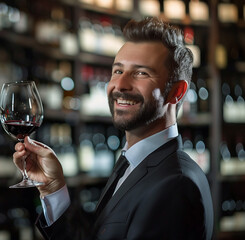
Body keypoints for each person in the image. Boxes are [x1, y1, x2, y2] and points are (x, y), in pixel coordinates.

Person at [12, 17, 214, 239]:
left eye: (141, 73)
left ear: (176, 92)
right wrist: (53, 187)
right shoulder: (132, 162)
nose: (120, 85)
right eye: (117, 71)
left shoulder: (176, 185)